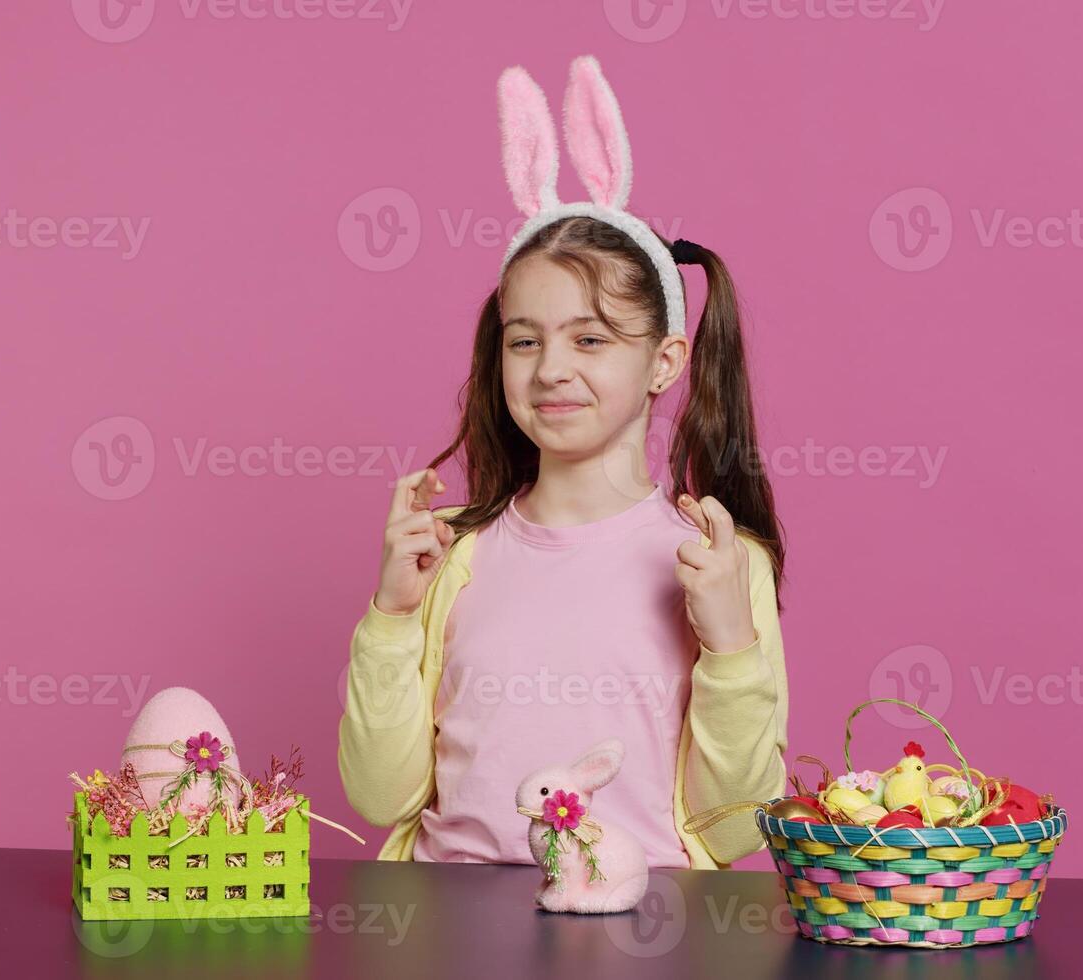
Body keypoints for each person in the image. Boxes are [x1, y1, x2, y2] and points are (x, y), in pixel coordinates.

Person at [337, 55, 789, 870]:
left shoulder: (719, 565)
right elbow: (380, 797)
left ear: (663, 361)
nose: (550, 370)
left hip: (641, 934)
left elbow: (731, 829)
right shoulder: (447, 552)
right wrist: (391, 618)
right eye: (524, 341)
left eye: (590, 339)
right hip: (451, 926)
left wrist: (728, 644)